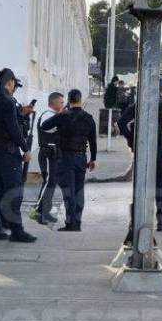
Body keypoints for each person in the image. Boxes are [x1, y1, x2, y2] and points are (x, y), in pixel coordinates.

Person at [118, 84, 162, 231]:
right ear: (160, 93)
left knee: (140, 187)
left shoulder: (138, 106)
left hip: (143, 150)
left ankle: (135, 222)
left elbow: (121, 122)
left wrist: (132, 140)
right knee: (160, 187)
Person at [0, 68, 37, 243]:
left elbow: (1, 122)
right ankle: (16, 231)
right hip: (8, 152)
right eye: (13, 82)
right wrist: (25, 148)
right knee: (14, 191)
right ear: (9, 82)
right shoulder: (7, 101)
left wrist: (19, 113)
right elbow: (13, 128)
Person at [41, 89, 97, 232]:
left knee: (69, 192)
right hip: (81, 158)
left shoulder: (63, 116)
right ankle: (77, 222)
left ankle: (70, 223)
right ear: (80, 99)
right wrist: (93, 159)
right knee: (79, 191)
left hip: (65, 158)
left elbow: (44, 126)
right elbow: (93, 141)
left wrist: (60, 114)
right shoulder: (88, 117)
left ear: (69, 100)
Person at [34, 92, 65, 224]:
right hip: (48, 153)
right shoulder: (48, 115)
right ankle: (39, 212)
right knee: (48, 182)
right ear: (53, 103)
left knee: (52, 182)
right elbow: (48, 127)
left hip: (53, 153)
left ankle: (45, 211)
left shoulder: (54, 116)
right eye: (61, 102)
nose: (62, 105)